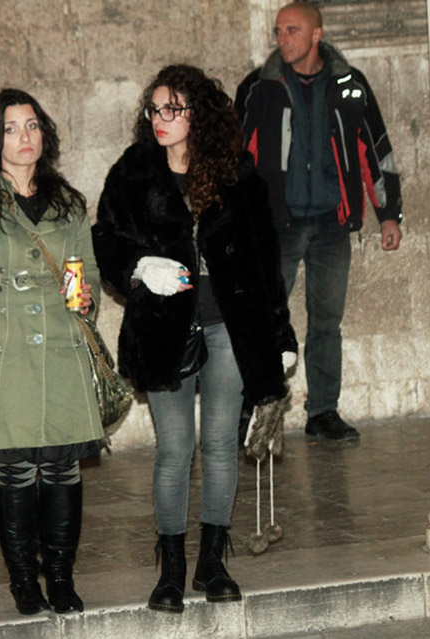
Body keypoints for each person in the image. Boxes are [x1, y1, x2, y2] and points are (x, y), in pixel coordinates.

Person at [92, 65, 297, 613]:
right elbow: (105, 240)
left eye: (173, 108)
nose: (160, 118)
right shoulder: (134, 171)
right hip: (164, 325)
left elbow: (265, 259)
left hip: (230, 324)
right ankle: (172, 570)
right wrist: (140, 267)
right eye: (155, 108)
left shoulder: (236, 173)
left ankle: (212, 562)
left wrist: (281, 335)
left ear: (197, 114)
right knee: (175, 448)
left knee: (221, 444)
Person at [0, 88, 103, 616]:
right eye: (11, 128)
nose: (24, 137)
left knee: (62, 468)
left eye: (32, 125)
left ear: (44, 133)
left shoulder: (69, 203)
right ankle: (23, 581)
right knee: (15, 470)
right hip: (5, 352)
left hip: (60, 349)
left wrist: (85, 296)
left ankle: (60, 575)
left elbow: (86, 270)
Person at [235, 1, 403, 443]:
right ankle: (254, 411)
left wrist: (389, 214)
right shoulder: (258, 87)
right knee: (264, 320)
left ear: (317, 35)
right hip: (278, 226)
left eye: (292, 30)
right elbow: (236, 158)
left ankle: (323, 412)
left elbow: (375, 149)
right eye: (278, 31)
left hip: (332, 224)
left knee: (327, 323)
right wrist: (237, 219)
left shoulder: (350, 85)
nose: (282, 39)